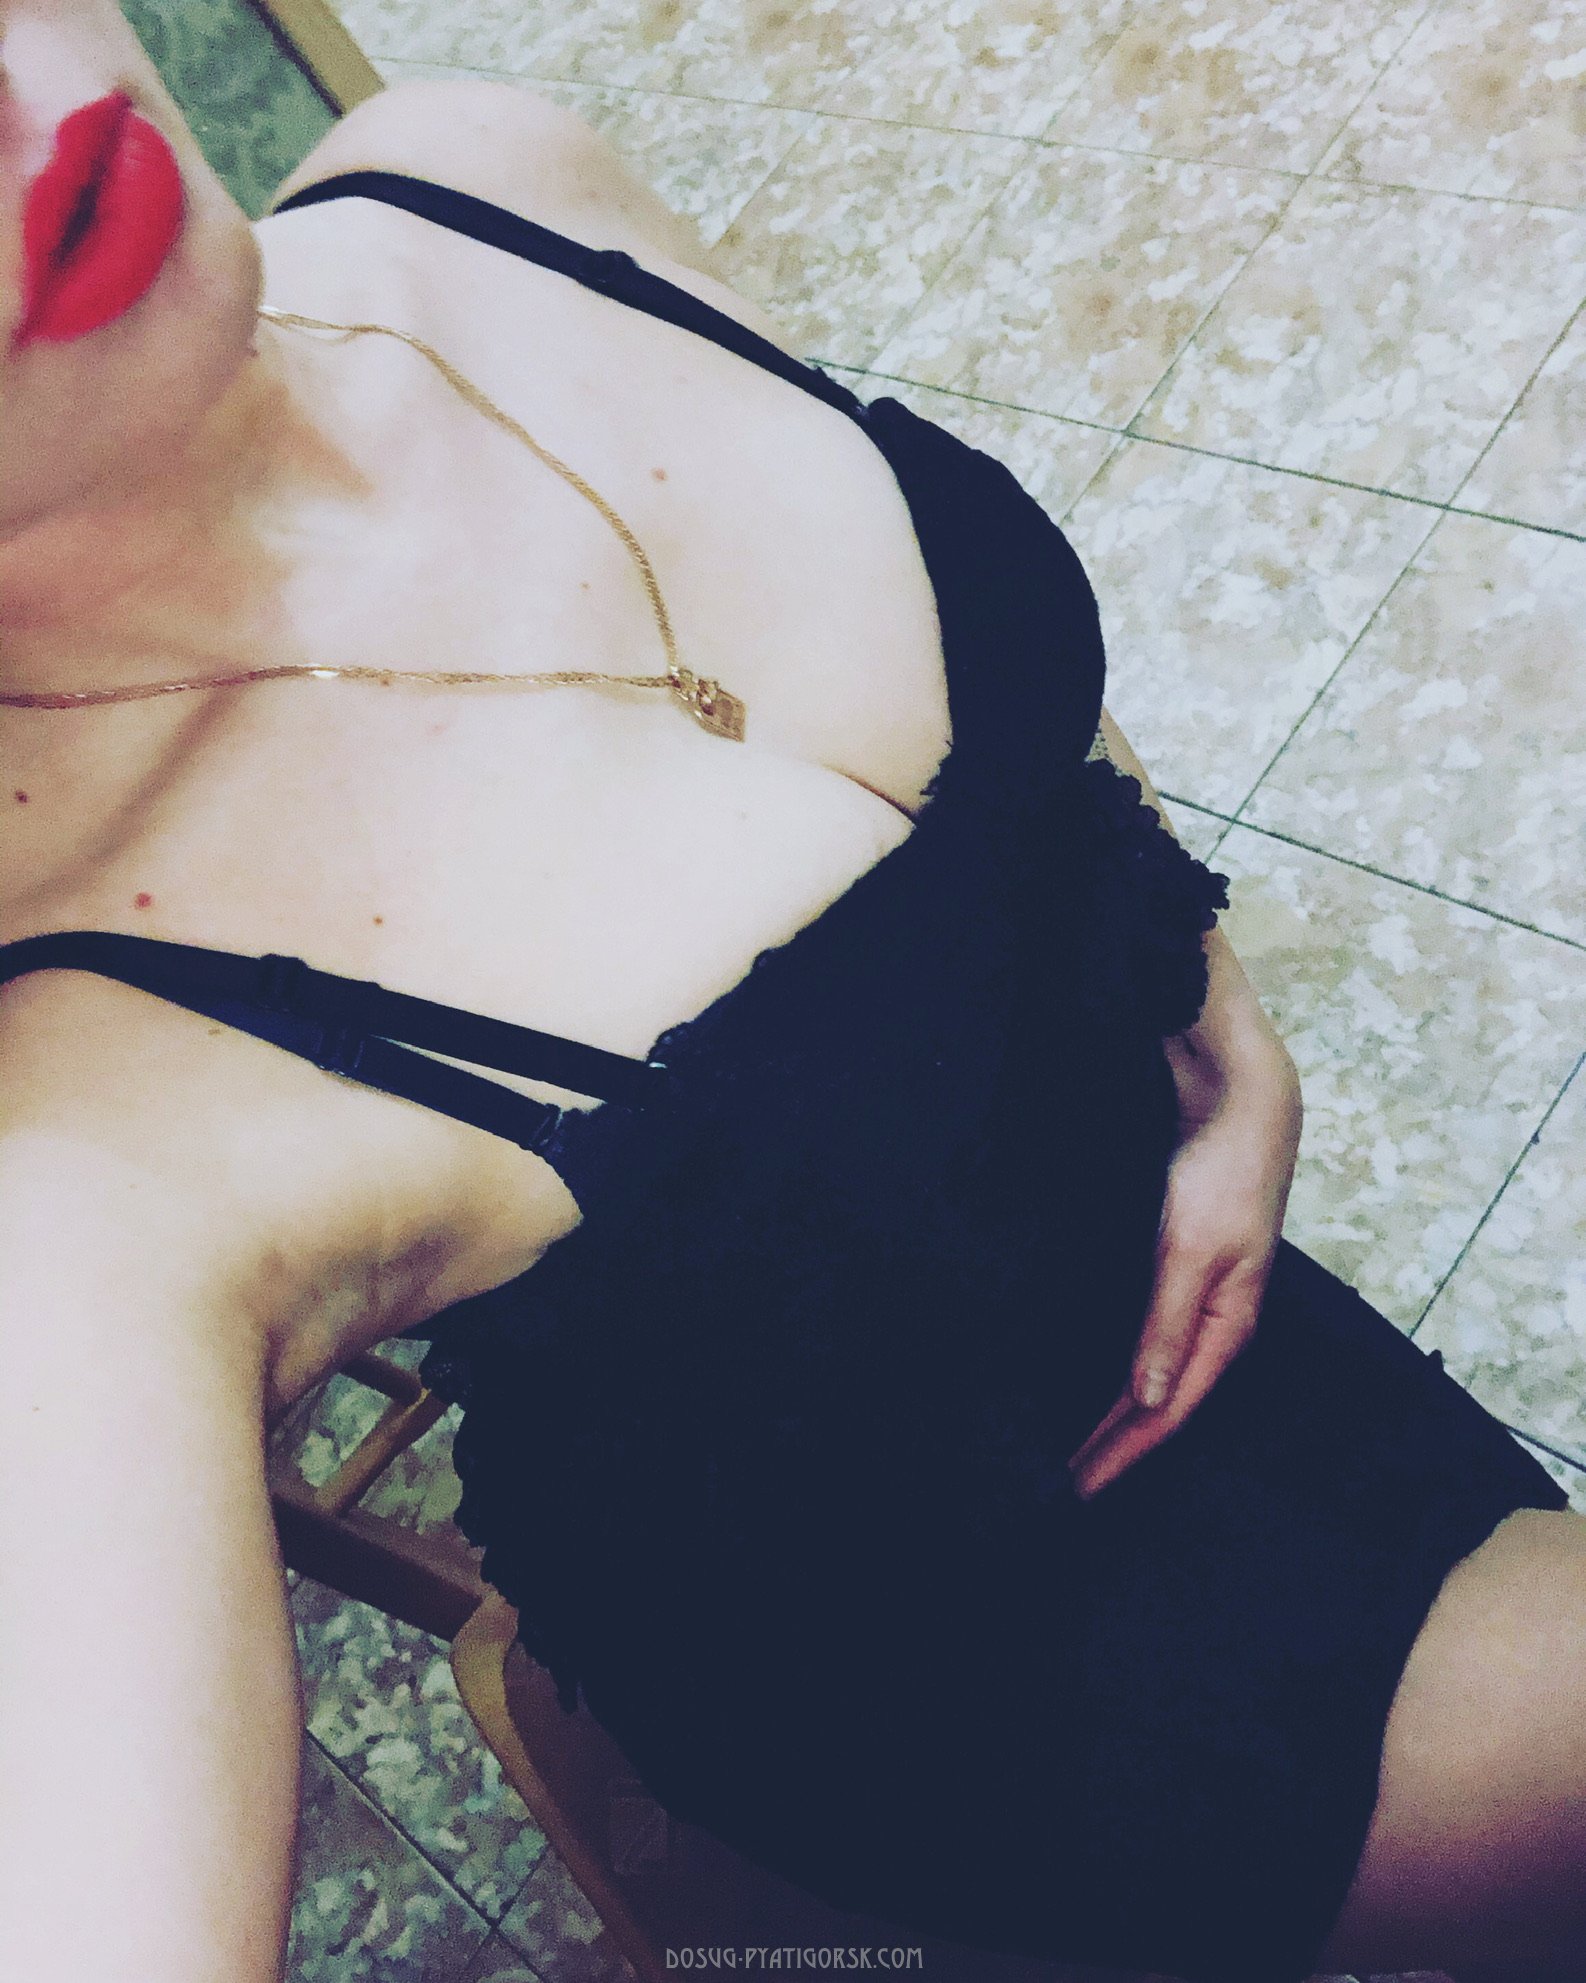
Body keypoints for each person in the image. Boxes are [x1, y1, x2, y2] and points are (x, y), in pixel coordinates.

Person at [0, 6, 1582, 1979]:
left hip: (1195, 1294)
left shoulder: (475, 177)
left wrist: (1207, 1005)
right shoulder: (81, 1131)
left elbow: (992, 685)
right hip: (987, 1652)